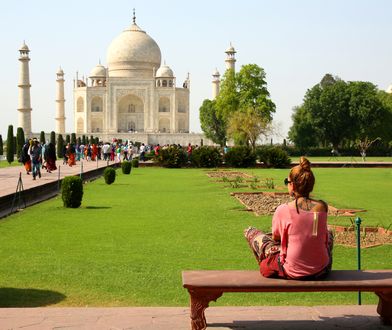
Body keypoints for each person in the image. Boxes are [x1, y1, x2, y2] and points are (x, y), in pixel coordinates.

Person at [244, 157, 333, 279]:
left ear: (292, 185)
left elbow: (276, 238)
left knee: (250, 232)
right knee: (329, 232)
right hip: (322, 270)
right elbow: (315, 232)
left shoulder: (283, 210)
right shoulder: (322, 207)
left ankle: (270, 265)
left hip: (293, 271)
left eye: (287, 182)